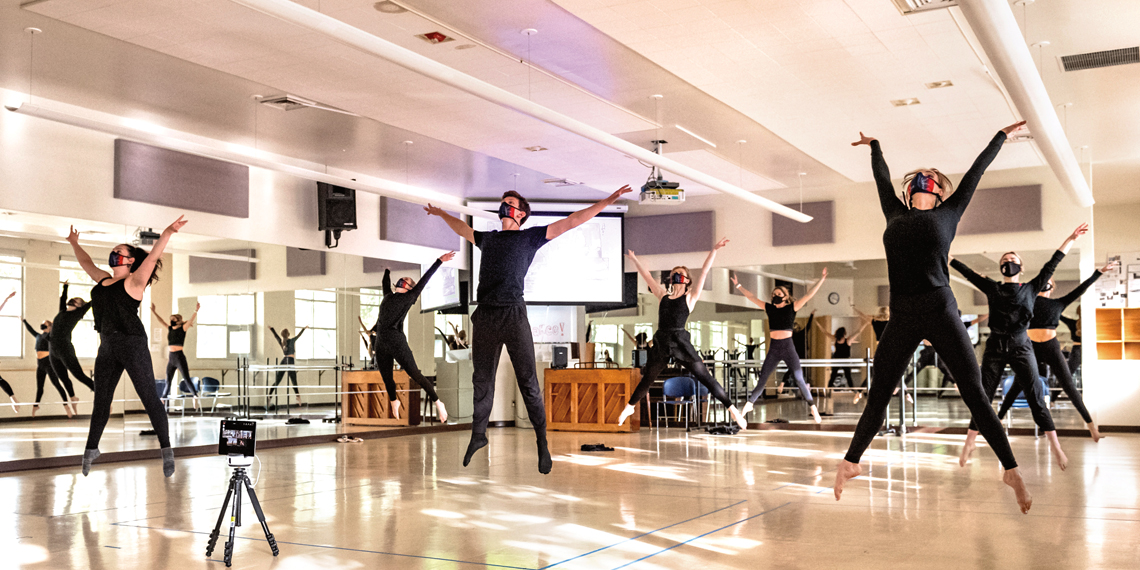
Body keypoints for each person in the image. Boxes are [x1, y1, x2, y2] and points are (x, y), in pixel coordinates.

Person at [835, 122, 1033, 514]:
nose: (923, 181)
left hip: (941, 309)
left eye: (931, 180)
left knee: (975, 392)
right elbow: (880, 179)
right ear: (909, 192)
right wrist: (875, 145)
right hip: (903, 312)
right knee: (880, 393)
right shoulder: (893, 212)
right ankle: (851, 461)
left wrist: (1000, 137)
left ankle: (1010, 469)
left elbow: (976, 171)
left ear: (940, 191)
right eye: (916, 180)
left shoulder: (950, 211)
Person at [426, 184, 632, 474]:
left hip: (513, 314)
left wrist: (607, 201)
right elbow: (462, 228)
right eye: (502, 202)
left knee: (528, 383)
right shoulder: (488, 239)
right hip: (485, 314)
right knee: (481, 381)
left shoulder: (530, 237)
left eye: (508, 202)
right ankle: (478, 435)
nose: (503, 206)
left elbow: (572, 221)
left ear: (520, 213)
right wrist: (441, 213)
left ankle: (541, 440)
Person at [951, 224, 1087, 470]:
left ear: (1020, 268)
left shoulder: (1032, 288)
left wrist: (1071, 238)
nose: (1008, 261)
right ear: (1001, 267)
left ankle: (1056, 447)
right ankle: (969, 442)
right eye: (1005, 259)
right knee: (983, 396)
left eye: (1013, 259)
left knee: (1036, 396)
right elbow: (965, 270)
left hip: (1022, 346)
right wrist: (942, 252)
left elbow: (1052, 264)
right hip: (995, 345)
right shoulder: (993, 288)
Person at [69, 217, 185, 477]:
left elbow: (153, 258)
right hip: (107, 345)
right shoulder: (103, 281)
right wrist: (74, 243)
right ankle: (91, 449)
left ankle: (166, 449)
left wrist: (166, 232)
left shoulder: (134, 282)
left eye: (118, 251)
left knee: (148, 398)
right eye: (113, 251)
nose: (113, 254)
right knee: (102, 401)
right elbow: (86, 263)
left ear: (131, 260)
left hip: (132, 343)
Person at [621, 240, 749, 429]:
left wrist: (713, 250)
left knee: (706, 377)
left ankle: (732, 409)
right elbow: (646, 276)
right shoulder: (662, 295)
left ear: (687, 280)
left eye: (681, 274)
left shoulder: (690, 297)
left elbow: (704, 272)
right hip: (662, 341)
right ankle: (630, 406)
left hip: (681, 341)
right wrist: (634, 259)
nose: (677, 275)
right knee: (648, 377)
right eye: (674, 274)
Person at [996, 261, 1115, 441]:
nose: (1046, 283)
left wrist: (1098, 272)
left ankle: (1093, 429)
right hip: (1030, 347)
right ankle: (996, 423)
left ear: (1052, 287)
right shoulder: (1026, 299)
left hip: (1051, 347)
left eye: (1049, 281)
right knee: (1018, 385)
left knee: (1069, 386)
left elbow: (1081, 289)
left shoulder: (1059, 303)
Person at [371, 252, 456, 422]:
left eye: (407, 280)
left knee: (414, 373)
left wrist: (439, 261)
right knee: (386, 376)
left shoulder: (410, 296)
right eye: (403, 278)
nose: (403, 279)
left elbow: (425, 279)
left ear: (409, 287)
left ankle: (438, 402)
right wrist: (387, 271)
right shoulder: (388, 296)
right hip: (380, 342)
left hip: (396, 340)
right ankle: (394, 401)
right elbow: (385, 284)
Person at [733, 271, 828, 423]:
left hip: (788, 347)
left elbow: (808, 295)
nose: (775, 295)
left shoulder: (792, 307)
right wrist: (738, 285)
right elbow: (752, 297)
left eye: (779, 293)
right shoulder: (769, 308)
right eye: (774, 293)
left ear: (785, 296)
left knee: (799, 379)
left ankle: (813, 407)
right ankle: (749, 404)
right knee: (763, 378)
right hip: (774, 348)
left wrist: (821, 279)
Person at [150, 302, 201, 409]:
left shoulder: (183, 328)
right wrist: (154, 312)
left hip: (179, 356)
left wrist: (196, 310)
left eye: (173, 320)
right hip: (171, 357)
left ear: (177, 321)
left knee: (186, 378)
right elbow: (161, 321)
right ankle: (163, 398)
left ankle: (195, 396)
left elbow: (191, 320)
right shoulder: (169, 328)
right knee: (168, 380)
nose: (171, 321)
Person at [23, 318, 74, 418]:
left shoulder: (51, 336)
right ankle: (36, 406)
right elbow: (30, 330)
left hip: (49, 364)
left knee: (57, 385)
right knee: (40, 388)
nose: (43, 326)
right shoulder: (38, 336)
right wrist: (24, 321)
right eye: (42, 324)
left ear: (50, 327)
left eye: (45, 324)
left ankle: (66, 406)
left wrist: (55, 326)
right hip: (40, 365)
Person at [49, 282, 95, 393]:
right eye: (74, 299)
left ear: (79, 307)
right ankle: (73, 398)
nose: (74, 300)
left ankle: (101, 394)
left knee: (79, 375)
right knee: (62, 378)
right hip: (53, 349)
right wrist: (65, 287)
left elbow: (91, 303)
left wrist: (101, 290)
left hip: (65, 349)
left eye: (77, 300)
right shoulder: (62, 311)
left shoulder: (76, 314)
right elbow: (62, 299)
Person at [817, 321, 869, 389]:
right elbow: (858, 332)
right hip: (843, 360)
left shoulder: (837, 339)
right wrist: (865, 323)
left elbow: (825, 332)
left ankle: (829, 390)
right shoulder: (848, 340)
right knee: (847, 376)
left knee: (835, 376)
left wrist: (818, 324)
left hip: (839, 360)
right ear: (844, 334)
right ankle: (852, 390)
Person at [268, 325, 308, 405]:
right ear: (288, 335)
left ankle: (269, 396)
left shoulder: (282, 342)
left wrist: (272, 329)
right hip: (290, 361)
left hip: (284, 361)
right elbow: (298, 335)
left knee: (277, 381)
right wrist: (303, 328)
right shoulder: (291, 341)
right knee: (294, 381)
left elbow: (276, 336)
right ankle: (298, 396)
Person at [778, 310, 815, 395]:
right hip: (802, 355)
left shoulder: (791, 335)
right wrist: (811, 315)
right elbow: (808, 326)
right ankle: (805, 384)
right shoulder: (801, 333)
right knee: (804, 369)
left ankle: (783, 383)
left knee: (791, 369)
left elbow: (785, 328)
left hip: (795, 354)